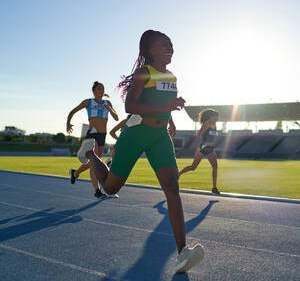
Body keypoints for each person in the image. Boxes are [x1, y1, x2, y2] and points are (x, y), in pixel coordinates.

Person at [75, 29, 204, 273]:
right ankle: (91, 154)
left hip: (159, 136)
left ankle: (182, 253)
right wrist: (165, 105)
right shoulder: (144, 73)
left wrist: (171, 119)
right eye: (163, 45)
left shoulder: (172, 77)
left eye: (171, 45)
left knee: (172, 189)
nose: (170, 48)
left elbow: (165, 105)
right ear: (149, 50)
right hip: (136, 133)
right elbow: (129, 105)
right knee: (110, 188)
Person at [66, 81, 119, 198]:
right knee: (95, 163)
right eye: (99, 88)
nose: (101, 91)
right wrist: (68, 123)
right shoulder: (88, 102)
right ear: (94, 91)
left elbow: (116, 118)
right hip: (92, 134)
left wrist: (109, 109)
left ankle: (75, 173)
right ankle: (97, 191)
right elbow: (72, 112)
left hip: (102, 135)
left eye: (103, 89)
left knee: (95, 162)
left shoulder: (107, 103)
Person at [179, 109, 220, 194]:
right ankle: (178, 174)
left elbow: (212, 135)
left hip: (210, 148)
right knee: (193, 167)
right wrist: (204, 134)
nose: (217, 119)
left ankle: (214, 188)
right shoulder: (206, 124)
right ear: (210, 117)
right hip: (203, 147)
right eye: (216, 117)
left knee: (215, 166)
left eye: (217, 117)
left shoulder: (214, 125)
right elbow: (198, 135)